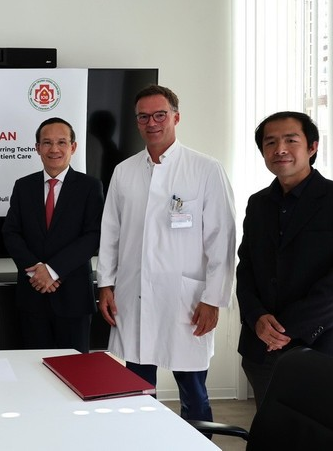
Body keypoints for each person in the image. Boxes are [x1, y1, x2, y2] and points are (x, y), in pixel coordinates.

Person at [96, 85, 235, 423]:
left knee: (193, 391)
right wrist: (106, 284)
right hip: (134, 295)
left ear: (176, 117)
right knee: (137, 389)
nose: (152, 123)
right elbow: (110, 232)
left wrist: (213, 299)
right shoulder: (124, 171)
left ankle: (199, 443)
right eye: (143, 117)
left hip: (186, 299)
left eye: (160, 115)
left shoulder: (205, 168)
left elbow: (222, 239)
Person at [236, 111, 333, 408]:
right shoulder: (257, 204)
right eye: (270, 142)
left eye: (290, 140)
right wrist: (256, 317)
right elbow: (245, 268)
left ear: (312, 147)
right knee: (270, 428)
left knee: (319, 429)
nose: (280, 149)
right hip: (261, 350)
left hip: (321, 350)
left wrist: (285, 329)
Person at [2, 117, 104, 353]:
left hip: (74, 297)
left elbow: (93, 236)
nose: (54, 149)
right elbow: (11, 232)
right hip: (33, 294)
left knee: (75, 369)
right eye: (47, 143)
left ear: (73, 147)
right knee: (33, 367)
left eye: (61, 142)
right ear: (37, 148)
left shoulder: (90, 187)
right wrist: (36, 271)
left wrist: (53, 270)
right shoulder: (23, 186)